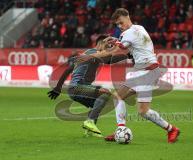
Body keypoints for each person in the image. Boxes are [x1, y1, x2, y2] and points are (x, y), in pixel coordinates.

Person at [87, 8, 180, 143]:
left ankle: (171, 129)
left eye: (121, 22)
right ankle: (122, 130)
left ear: (127, 16)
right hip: (145, 70)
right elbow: (130, 48)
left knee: (133, 105)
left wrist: (92, 56)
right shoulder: (139, 28)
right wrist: (117, 40)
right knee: (127, 102)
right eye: (117, 25)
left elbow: (115, 51)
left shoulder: (129, 33)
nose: (120, 26)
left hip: (147, 71)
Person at [47, 35, 127, 137]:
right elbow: (108, 56)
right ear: (100, 44)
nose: (108, 48)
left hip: (78, 89)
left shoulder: (91, 55)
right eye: (107, 45)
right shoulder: (91, 52)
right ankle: (90, 122)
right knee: (106, 92)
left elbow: (109, 60)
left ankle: (90, 130)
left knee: (100, 100)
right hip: (77, 87)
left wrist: (126, 56)